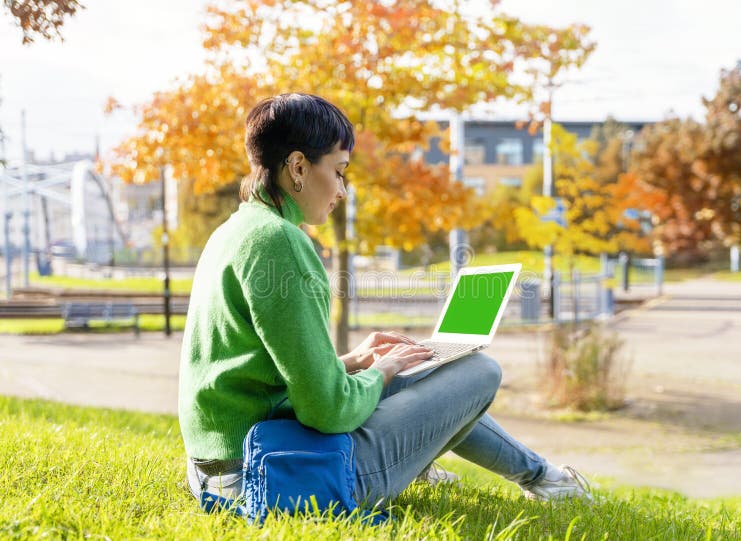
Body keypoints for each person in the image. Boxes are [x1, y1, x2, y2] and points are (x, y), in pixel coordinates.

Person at [178, 93, 591, 513]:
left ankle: (543, 478)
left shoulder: (238, 229)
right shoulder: (281, 242)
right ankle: (540, 479)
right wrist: (379, 373)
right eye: (339, 172)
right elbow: (327, 410)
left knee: (416, 369)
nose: (341, 190)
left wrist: (353, 361)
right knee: (479, 370)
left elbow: (252, 373)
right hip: (280, 471)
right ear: (298, 167)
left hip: (224, 465)